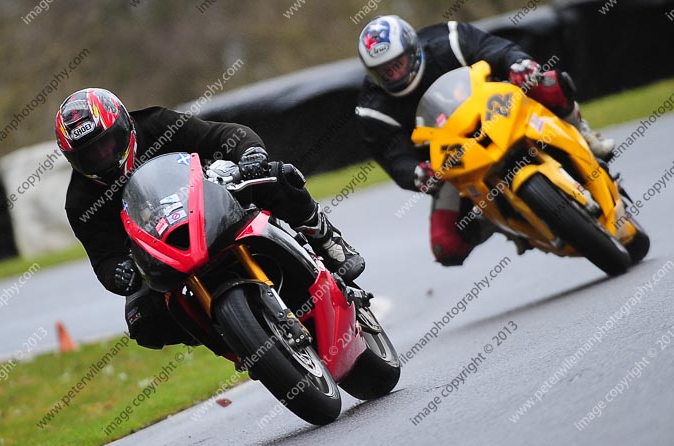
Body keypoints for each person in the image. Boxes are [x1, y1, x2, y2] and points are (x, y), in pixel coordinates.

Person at [56, 88, 364, 348]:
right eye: (90, 154)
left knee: (276, 176)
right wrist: (118, 274)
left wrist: (250, 154)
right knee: (143, 323)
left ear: (125, 126)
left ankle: (327, 239)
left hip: (214, 203)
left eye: (106, 143)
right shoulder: (80, 201)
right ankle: (233, 336)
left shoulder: (157, 123)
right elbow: (103, 258)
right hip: (162, 250)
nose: (102, 156)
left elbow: (223, 134)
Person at [355, 15, 616, 266]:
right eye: (383, 72)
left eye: (396, 65)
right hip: (452, 164)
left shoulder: (450, 39)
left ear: (412, 51)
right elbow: (393, 157)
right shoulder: (372, 109)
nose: (393, 76)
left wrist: (518, 63)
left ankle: (583, 133)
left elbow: (497, 49)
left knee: (546, 81)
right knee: (446, 246)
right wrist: (417, 173)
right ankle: (502, 221)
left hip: (499, 112)